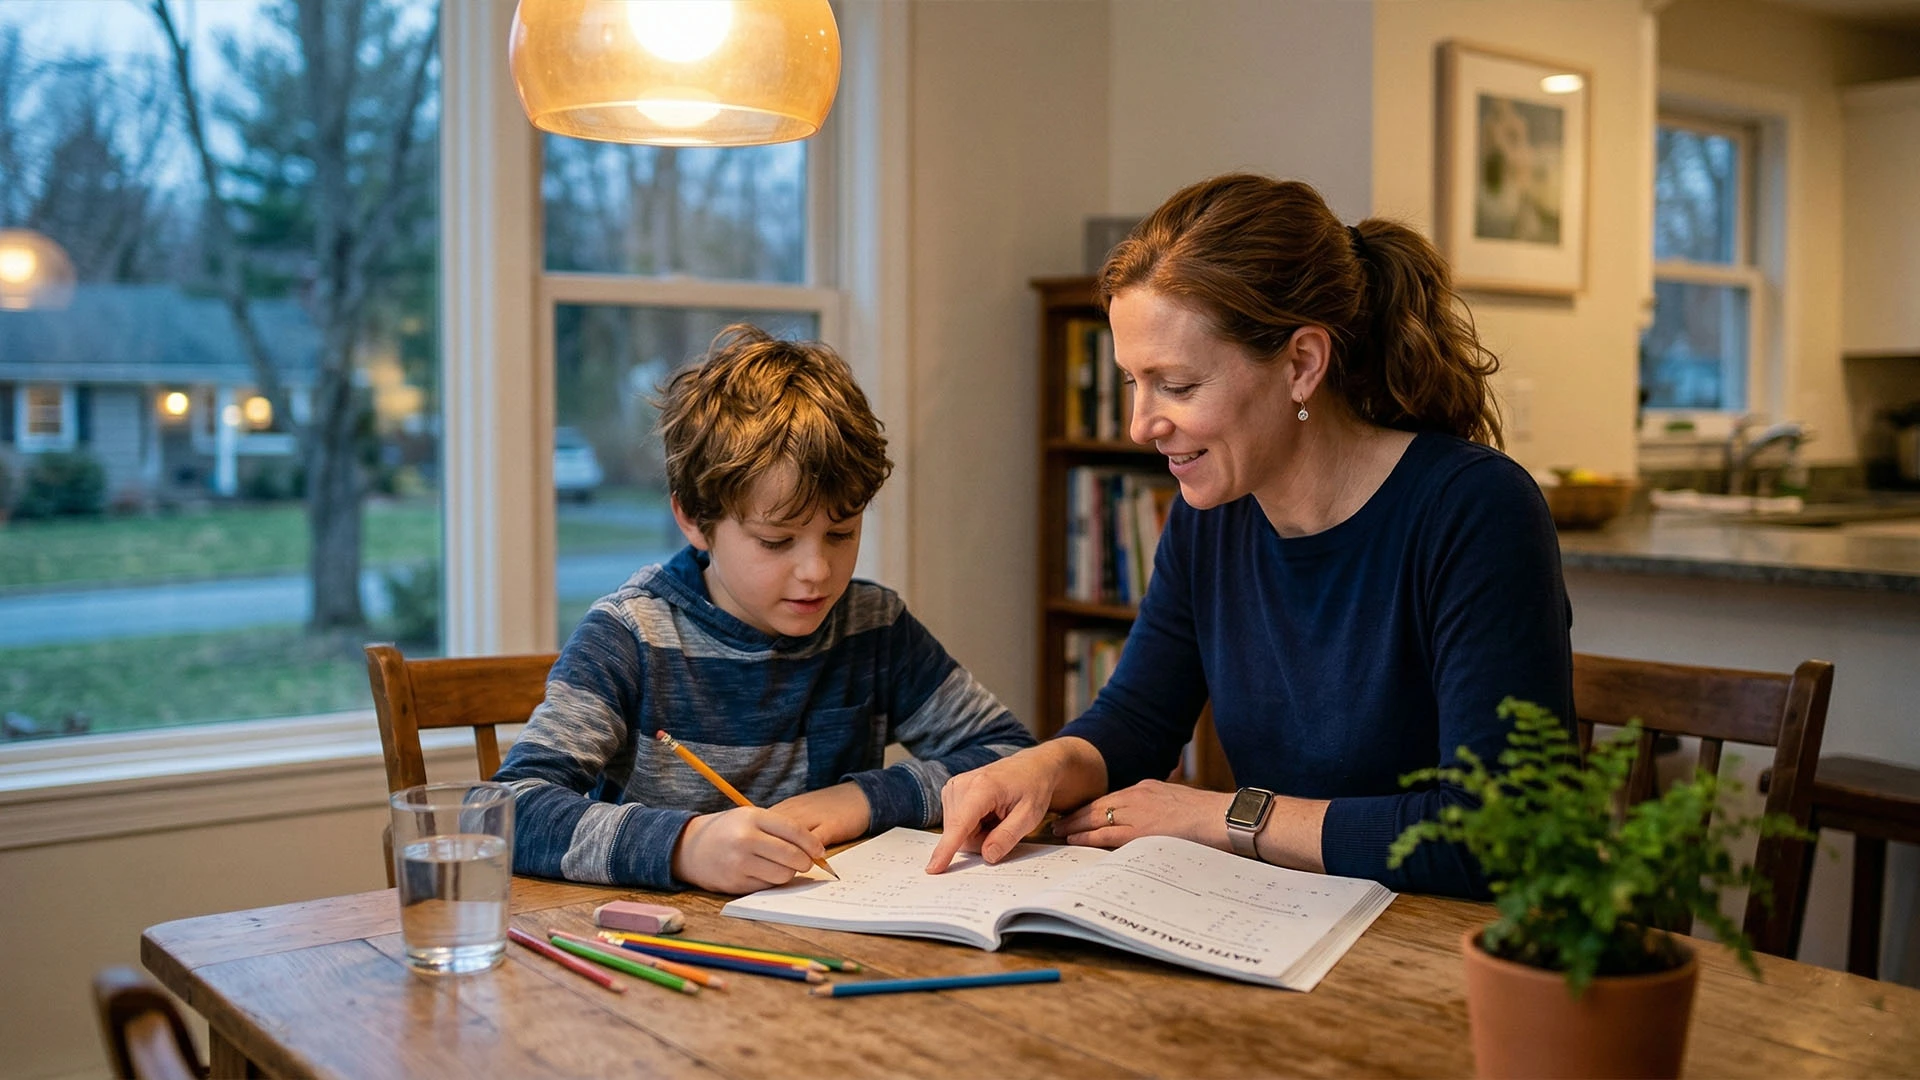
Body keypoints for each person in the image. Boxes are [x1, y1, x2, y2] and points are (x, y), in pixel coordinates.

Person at [927, 174, 1573, 898]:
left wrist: (1222, 816)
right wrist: (1043, 766)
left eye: (1175, 385)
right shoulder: (1214, 515)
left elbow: (1496, 833)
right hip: (1289, 918)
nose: (1142, 425)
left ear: (1301, 364)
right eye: (1133, 383)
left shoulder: (1474, 509)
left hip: (1455, 947)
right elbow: (1138, 721)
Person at [495, 325, 1035, 894]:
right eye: (777, 542)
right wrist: (686, 846)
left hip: (827, 939)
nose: (817, 572)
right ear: (694, 519)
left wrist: (860, 799)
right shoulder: (632, 636)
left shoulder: (872, 626)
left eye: (841, 533)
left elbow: (1009, 757)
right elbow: (510, 813)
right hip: (665, 948)